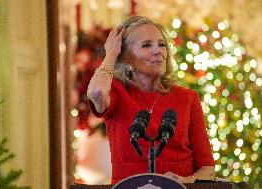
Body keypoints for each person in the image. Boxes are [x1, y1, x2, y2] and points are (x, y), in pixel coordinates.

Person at [87, 16, 215, 184]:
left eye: (162, 44)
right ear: (126, 57)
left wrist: (187, 180)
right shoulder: (117, 93)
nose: (158, 51)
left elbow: (208, 169)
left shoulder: (187, 98)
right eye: (147, 45)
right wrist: (111, 54)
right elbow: (96, 92)